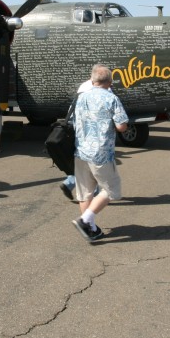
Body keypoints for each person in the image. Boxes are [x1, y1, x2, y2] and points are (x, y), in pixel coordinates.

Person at [71, 64, 129, 241]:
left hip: (81, 150)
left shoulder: (80, 98)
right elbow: (121, 126)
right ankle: (85, 220)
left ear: (92, 80)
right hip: (101, 153)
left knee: (85, 193)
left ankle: (92, 229)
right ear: (110, 82)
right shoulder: (111, 98)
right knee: (111, 190)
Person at [59, 78, 95, 200]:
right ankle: (93, 194)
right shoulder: (99, 90)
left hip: (77, 132)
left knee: (82, 163)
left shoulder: (82, 88)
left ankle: (69, 183)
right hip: (90, 135)